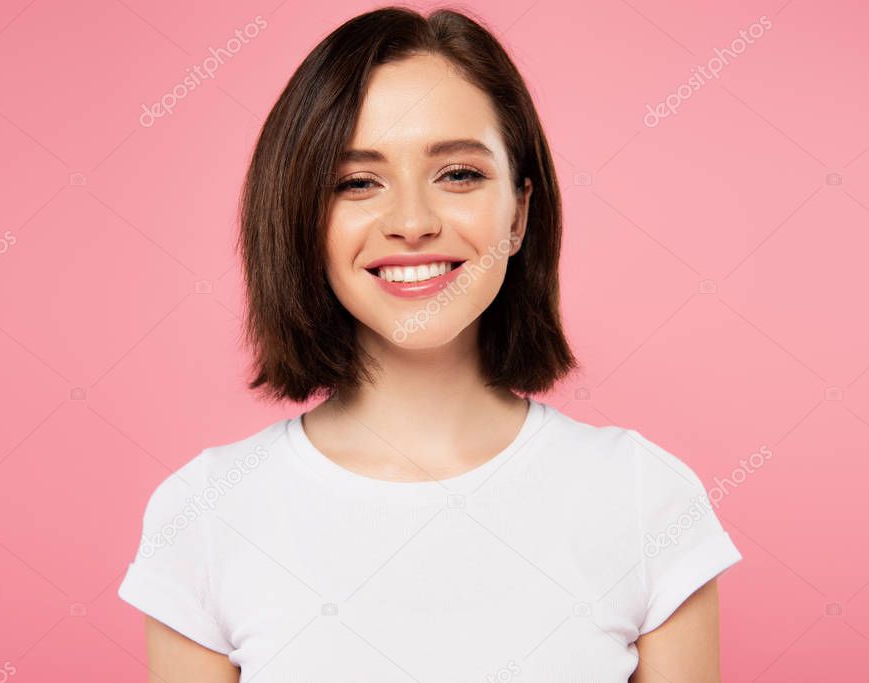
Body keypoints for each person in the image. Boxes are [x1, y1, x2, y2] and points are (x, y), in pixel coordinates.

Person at [117, 6, 742, 682]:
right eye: (357, 182)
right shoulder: (208, 512)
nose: (411, 222)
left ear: (520, 210)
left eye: (459, 174)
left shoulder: (644, 496)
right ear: (300, 217)